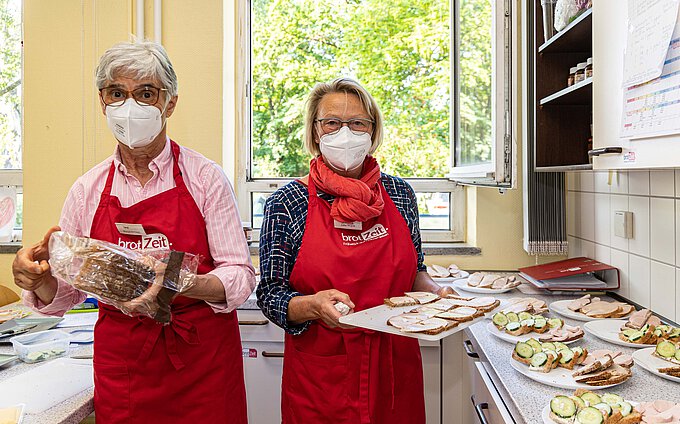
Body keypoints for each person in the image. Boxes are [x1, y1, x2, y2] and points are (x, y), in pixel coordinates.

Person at [12, 41, 254, 423]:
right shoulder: (87, 190)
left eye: (145, 94)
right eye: (117, 94)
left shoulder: (205, 179)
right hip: (124, 366)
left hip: (200, 363)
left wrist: (178, 281)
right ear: (102, 101)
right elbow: (68, 290)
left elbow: (239, 275)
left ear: (170, 103)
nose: (130, 107)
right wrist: (37, 280)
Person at [257, 78, 454, 424]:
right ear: (316, 132)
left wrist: (438, 293)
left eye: (357, 123)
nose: (345, 132)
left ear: (372, 131)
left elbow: (416, 271)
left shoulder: (400, 194)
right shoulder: (287, 203)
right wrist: (314, 306)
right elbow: (270, 295)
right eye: (332, 122)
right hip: (322, 375)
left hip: (395, 366)